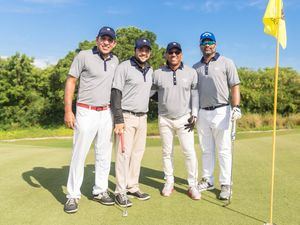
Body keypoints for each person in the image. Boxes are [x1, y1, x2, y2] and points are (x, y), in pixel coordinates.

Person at [63, 26, 118, 213]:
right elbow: (71, 81)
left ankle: (100, 191)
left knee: (104, 155)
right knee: (79, 154)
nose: (106, 42)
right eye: (103, 38)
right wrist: (68, 110)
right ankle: (72, 195)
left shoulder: (115, 60)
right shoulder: (84, 56)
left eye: (110, 40)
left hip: (106, 113)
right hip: (85, 111)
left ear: (114, 43)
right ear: (97, 39)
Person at [193, 32, 242, 200]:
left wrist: (236, 107)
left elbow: (234, 86)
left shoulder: (227, 62)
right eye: (204, 42)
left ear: (215, 44)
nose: (207, 45)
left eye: (210, 42)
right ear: (200, 45)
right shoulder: (195, 67)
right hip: (202, 112)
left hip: (222, 110)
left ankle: (226, 184)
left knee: (223, 149)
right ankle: (207, 180)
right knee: (206, 149)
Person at [152, 42, 201, 200]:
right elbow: (150, 93)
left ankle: (192, 185)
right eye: (170, 52)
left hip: (185, 119)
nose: (174, 55)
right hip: (164, 119)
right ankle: (169, 182)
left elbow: (195, 95)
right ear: (166, 55)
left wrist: (194, 114)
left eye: (177, 52)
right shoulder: (157, 72)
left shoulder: (191, 72)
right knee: (167, 153)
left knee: (189, 152)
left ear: (181, 55)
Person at [111, 38, 153, 207]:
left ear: (150, 53)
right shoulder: (124, 66)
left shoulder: (150, 70)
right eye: (140, 49)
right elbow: (116, 92)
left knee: (137, 154)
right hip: (126, 117)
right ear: (135, 50)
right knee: (123, 154)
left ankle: (132, 186)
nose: (143, 53)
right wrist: (118, 119)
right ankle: (120, 191)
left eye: (146, 50)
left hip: (143, 117)